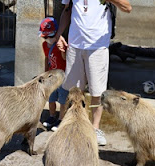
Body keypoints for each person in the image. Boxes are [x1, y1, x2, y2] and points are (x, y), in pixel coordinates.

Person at [53, 0, 132, 146]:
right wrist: (59, 35)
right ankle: (75, 125)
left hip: (98, 47)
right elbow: (67, 10)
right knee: (74, 91)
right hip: (75, 45)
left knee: (97, 91)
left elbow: (127, 7)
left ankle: (95, 128)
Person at [40, 17, 68, 132]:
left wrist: (63, 50)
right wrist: (45, 73)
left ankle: (61, 119)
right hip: (52, 76)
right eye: (45, 37)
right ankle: (52, 116)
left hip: (62, 77)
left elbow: (65, 59)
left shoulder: (61, 45)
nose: (47, 39)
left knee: (62, 99)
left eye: (49, 36)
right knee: (51, 98)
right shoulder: (44, 45)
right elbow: (47, 59)